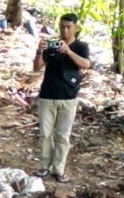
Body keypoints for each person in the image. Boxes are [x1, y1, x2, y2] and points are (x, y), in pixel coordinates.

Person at [28, 13, 90, 179]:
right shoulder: (52, 45)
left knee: (63, 136)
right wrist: (40, 51)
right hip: (47, 96)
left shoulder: (81, 46)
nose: (65, 30)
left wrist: (68, 51)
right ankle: (43, 166)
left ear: (75, 28)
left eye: (68, 27)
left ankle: (59, 169)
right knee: (45, 134)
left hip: (68, 98)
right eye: (62, 26)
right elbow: (37, 67)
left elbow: (85, 64)